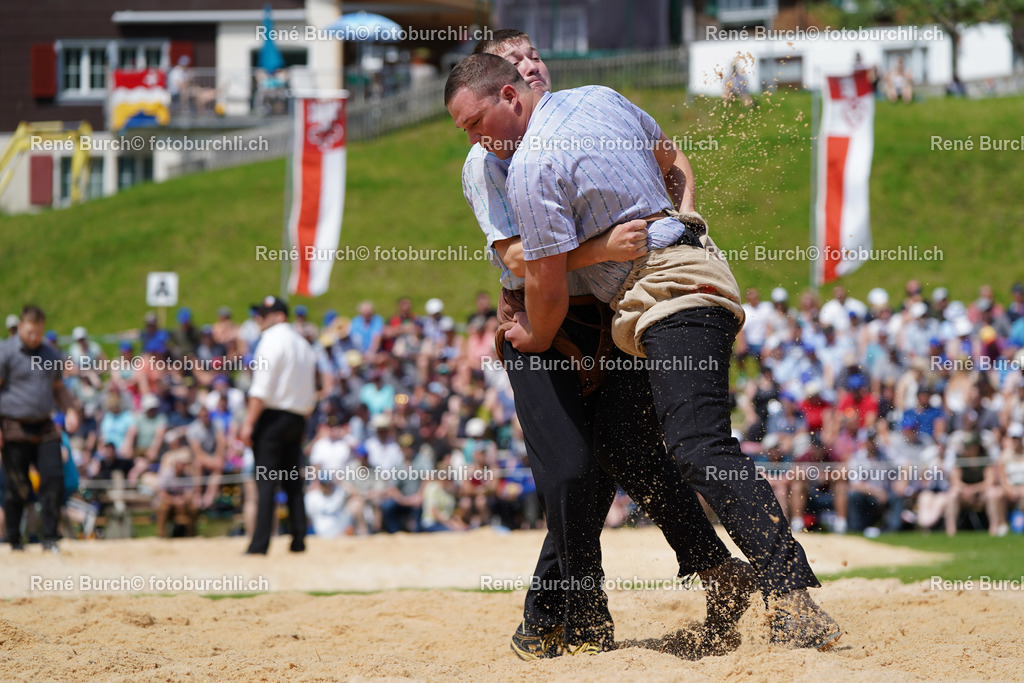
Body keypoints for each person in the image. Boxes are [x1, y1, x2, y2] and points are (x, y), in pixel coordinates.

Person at [446, 53, 841, 649]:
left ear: (510, 94)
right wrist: (674, 226)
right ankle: (721, 572)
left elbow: (542, 282)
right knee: (626, 447)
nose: (475, 140)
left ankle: (790, 594)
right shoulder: (598, 97)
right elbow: (669, 157)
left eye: (476, 123)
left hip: (664, 297)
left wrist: (535, 334)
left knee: (697, 446)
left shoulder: (529, 166)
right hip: (671, 289)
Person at [241, 296, 318, 555]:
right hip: (297, 416)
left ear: (279, 316)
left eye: (264, 314)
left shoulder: (271, 339)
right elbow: (312, 389)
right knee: (293, 481)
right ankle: (298, 539)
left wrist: (248, 423)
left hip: (273, 416)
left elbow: (261, 388)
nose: (258, 319)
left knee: (265, 482)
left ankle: (260, 544)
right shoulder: (304, 344)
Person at [0, 305, 80, 552]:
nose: (34, 337)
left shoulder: (50, 354)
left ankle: (50, 538)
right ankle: (14, 540)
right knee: (17, 486)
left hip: (44, 425)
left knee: (54, 477)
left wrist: (71, 410)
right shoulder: (6, 352)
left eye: (38, 333)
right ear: (21, 327)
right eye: (30, 332)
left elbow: (58, 389)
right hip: (13, 425)